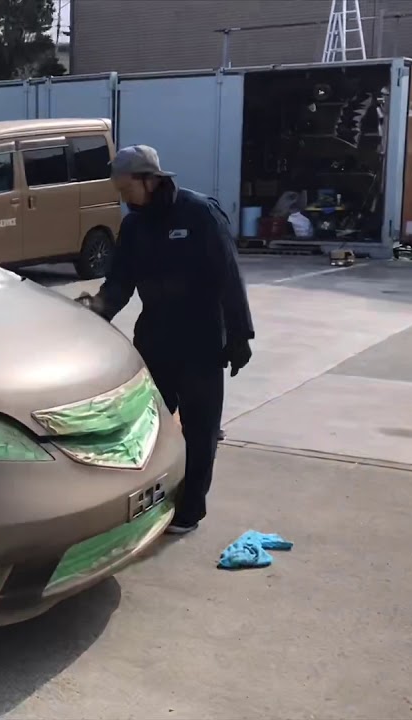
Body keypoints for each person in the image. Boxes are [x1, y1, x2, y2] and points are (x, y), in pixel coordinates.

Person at [77, 145, 254, 535]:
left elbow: (229, 277)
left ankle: (191, 509)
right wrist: (92, 314)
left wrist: (240, 334)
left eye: (127, 189)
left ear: (149, 179)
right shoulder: (135, 227)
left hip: (201, 341)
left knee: (200, 428)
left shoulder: (200, 214)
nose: (124, 198)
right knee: (148, 427)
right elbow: (120, 283)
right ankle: (151, 500)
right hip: (155, 339)